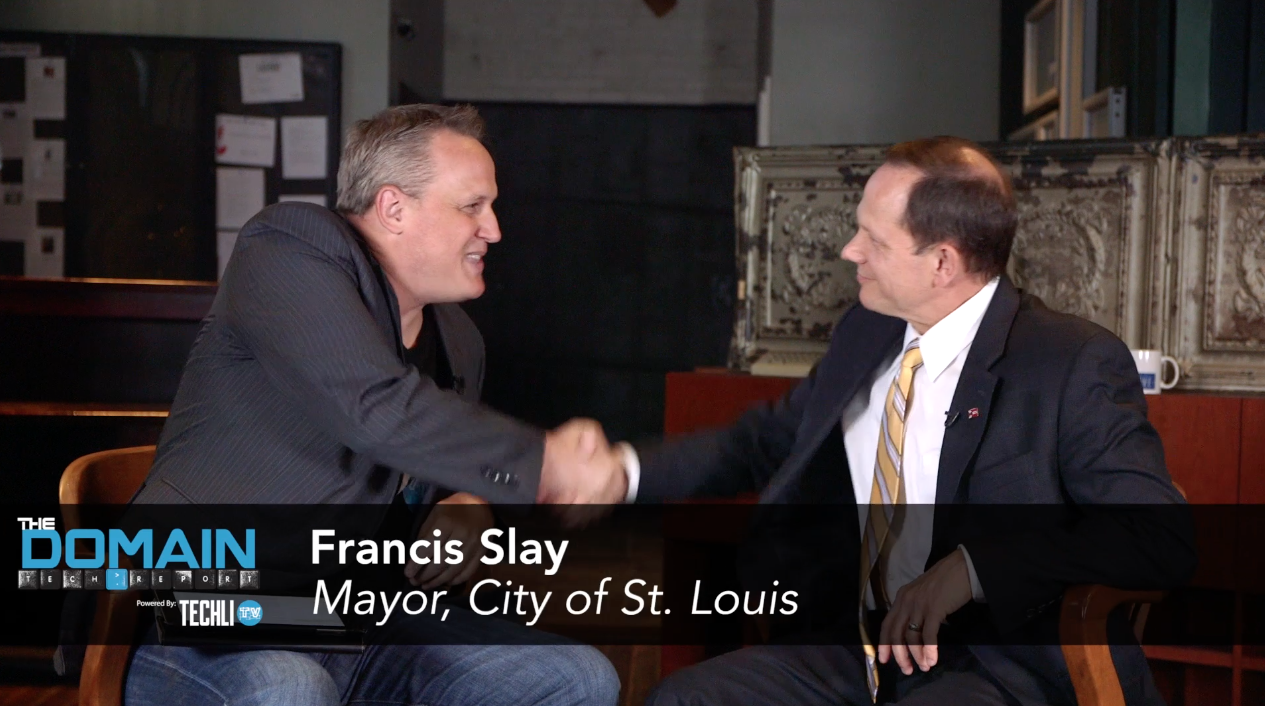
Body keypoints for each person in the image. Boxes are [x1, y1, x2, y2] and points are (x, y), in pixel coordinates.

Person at [612, 136, 1195, 705]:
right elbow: (764, 441)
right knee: (684, 697)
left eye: (874, 239)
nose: (850, 251)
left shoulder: (1069, 361)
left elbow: (1159, 537)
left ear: (942, 262)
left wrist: (973, 570)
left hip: (1001, 666)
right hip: (854, 650)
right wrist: (623, 473)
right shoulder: (865, 332)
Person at [122, 104, 623, 706]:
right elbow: (373, 408)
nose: (493, 230)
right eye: (472, 206)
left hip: (359, 624)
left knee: (579, 676)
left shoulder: (460, 340)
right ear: (393, 208)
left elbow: (425, 470)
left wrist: (471, 503)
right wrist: (543, 462)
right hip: (205, 615)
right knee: (292, 688)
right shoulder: (287, 247)